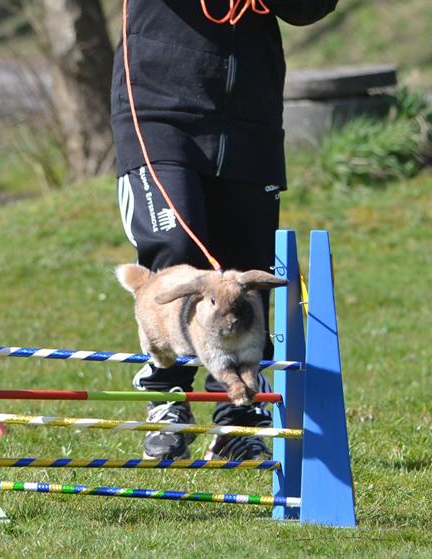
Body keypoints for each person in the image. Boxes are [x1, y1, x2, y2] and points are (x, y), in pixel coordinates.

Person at [111, 0, 338, 461]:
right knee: (174, 251)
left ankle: (235, 416)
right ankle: (167, 395)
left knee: (247, 273)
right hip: (160, 107)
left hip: (250, 115)